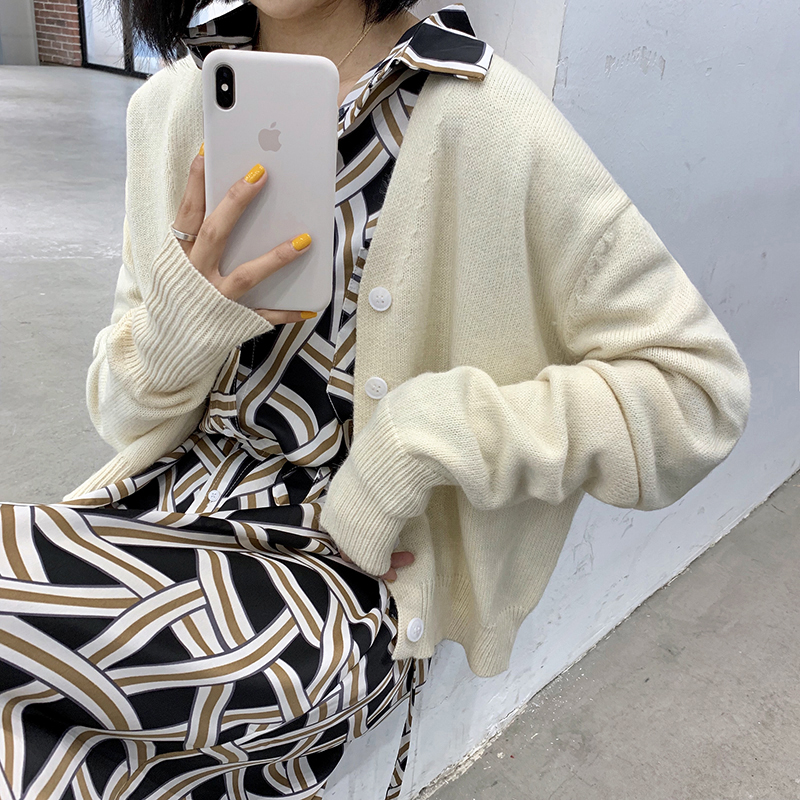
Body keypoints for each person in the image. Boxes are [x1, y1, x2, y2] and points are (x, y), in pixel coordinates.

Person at [0, 0, 751, 798]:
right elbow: (120, 414)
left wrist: (414, 442)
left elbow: (697, 393)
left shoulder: (489, 120)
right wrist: (184, 319)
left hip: (343, 579)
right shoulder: (173, 106)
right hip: (158, 521)